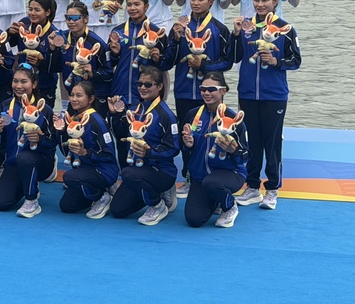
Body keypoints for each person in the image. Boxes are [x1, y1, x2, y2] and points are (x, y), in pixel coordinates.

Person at [231, 0, 301, 210]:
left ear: (275, 1)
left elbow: (296, 60)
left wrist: (275, 62)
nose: (260, 4)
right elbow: (234, 57)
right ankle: (252, 187)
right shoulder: (246, 26)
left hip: (274, 95)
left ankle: (272, 189)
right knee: (252, 141)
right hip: (248, 94)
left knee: (272, 143)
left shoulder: (285, 29)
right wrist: (235, 34)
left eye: (265, 0)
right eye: (257, 0)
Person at [161, 0, 232, 196]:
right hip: (184, 91)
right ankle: (189, 177)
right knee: (187, 135)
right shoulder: (180, 27)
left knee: (211, 136)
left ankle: (212, 176)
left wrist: (204, 66)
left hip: (210, 95)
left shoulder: (220, 29)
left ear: (211, 2)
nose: (196, 2)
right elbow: (167, 62)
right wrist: (175, 40)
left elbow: (227, 62)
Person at [109, 66, 180, 226]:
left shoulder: (166, 115)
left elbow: (173, 148)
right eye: (139, 84)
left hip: (161, 171)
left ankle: (158, 204)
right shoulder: (135, 109)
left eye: (148, 84)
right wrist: (115, 114)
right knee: (117, 210)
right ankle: (153, 192)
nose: (143, 88)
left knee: (127, 173)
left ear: (160, 86)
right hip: (139, 171)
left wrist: (149, 153)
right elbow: (121, 136)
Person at [181, 72, 250, 228]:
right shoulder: (192, 115)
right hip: (200, 177)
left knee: (212, 183)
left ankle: (230, 206)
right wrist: (188, 145)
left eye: (211, 89)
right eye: (203, 89)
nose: (206, 93)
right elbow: (186, 150)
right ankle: (216, 199)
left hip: (230, 174)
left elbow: (246, 156)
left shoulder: (233, 119)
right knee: (194, 219)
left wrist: (234, 151)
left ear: (223, 91)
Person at [0, 65, 56, 218]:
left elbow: (53, 142)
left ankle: (32, 200)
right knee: (1, 203)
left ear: (34, 84)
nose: (18, 86)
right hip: (13, 163)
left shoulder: (45, 110)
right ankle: (29, 184)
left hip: (39, 161)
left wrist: (40, 140)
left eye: (24, 81)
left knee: (25, 157)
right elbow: (0, 143)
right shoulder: (5, 106)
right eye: (15, 81)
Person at [55, 81, 119, 219]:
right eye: (72, 95)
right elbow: (66, 152)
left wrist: (86, 153)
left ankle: (101, 197)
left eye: (79, 95)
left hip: (104, 171)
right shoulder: (74, 119)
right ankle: (97, 189)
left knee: (69, 177)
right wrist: (60, 132)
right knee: (66, 206)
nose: (73, 99)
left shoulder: (97, 122)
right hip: (84, 170)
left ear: (90, 99)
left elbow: (108, 155)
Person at [49, 2, 112, 116]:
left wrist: (92, 73)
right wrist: (52, 49)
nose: (71, 22)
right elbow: (54, 68)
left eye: (75, 18)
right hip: (73, 98)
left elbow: (109, 74)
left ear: (86, 19)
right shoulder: (62, 38)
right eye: (68, 18)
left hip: (94, 99)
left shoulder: (97, 44)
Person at [5, 0, 60, 102]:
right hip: (22, 84)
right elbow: (9, 45)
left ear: (47, 12)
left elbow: (57, 65)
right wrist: (9, 33)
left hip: (44, 84)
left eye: (37, 10)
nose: (32, 13)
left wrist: (41, 63)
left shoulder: (53, 34)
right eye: (30, 9)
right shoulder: (24, 23)